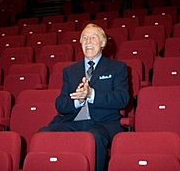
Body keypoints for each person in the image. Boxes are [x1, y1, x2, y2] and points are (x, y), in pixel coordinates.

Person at [40, 23, 130, 171]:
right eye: (85, 38)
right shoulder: (70, 71)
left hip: (103, 124)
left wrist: (91, 95)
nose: (88, 42)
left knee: (93, 137)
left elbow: (123, 99)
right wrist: (78, 100)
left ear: (102, 43)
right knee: (44, 134)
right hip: (73, 122)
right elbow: (60, 104)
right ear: (81, 43)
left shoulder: (117, 68)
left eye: (93, 38)